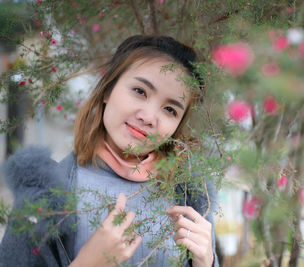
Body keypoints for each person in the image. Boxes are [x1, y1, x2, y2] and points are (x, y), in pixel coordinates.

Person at [0, 35, 219, 267]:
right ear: (107, 89)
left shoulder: (188, 195)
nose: (148, 117)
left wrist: (206, 262)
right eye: (140, 91)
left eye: (169, 109)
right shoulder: (46, 192)